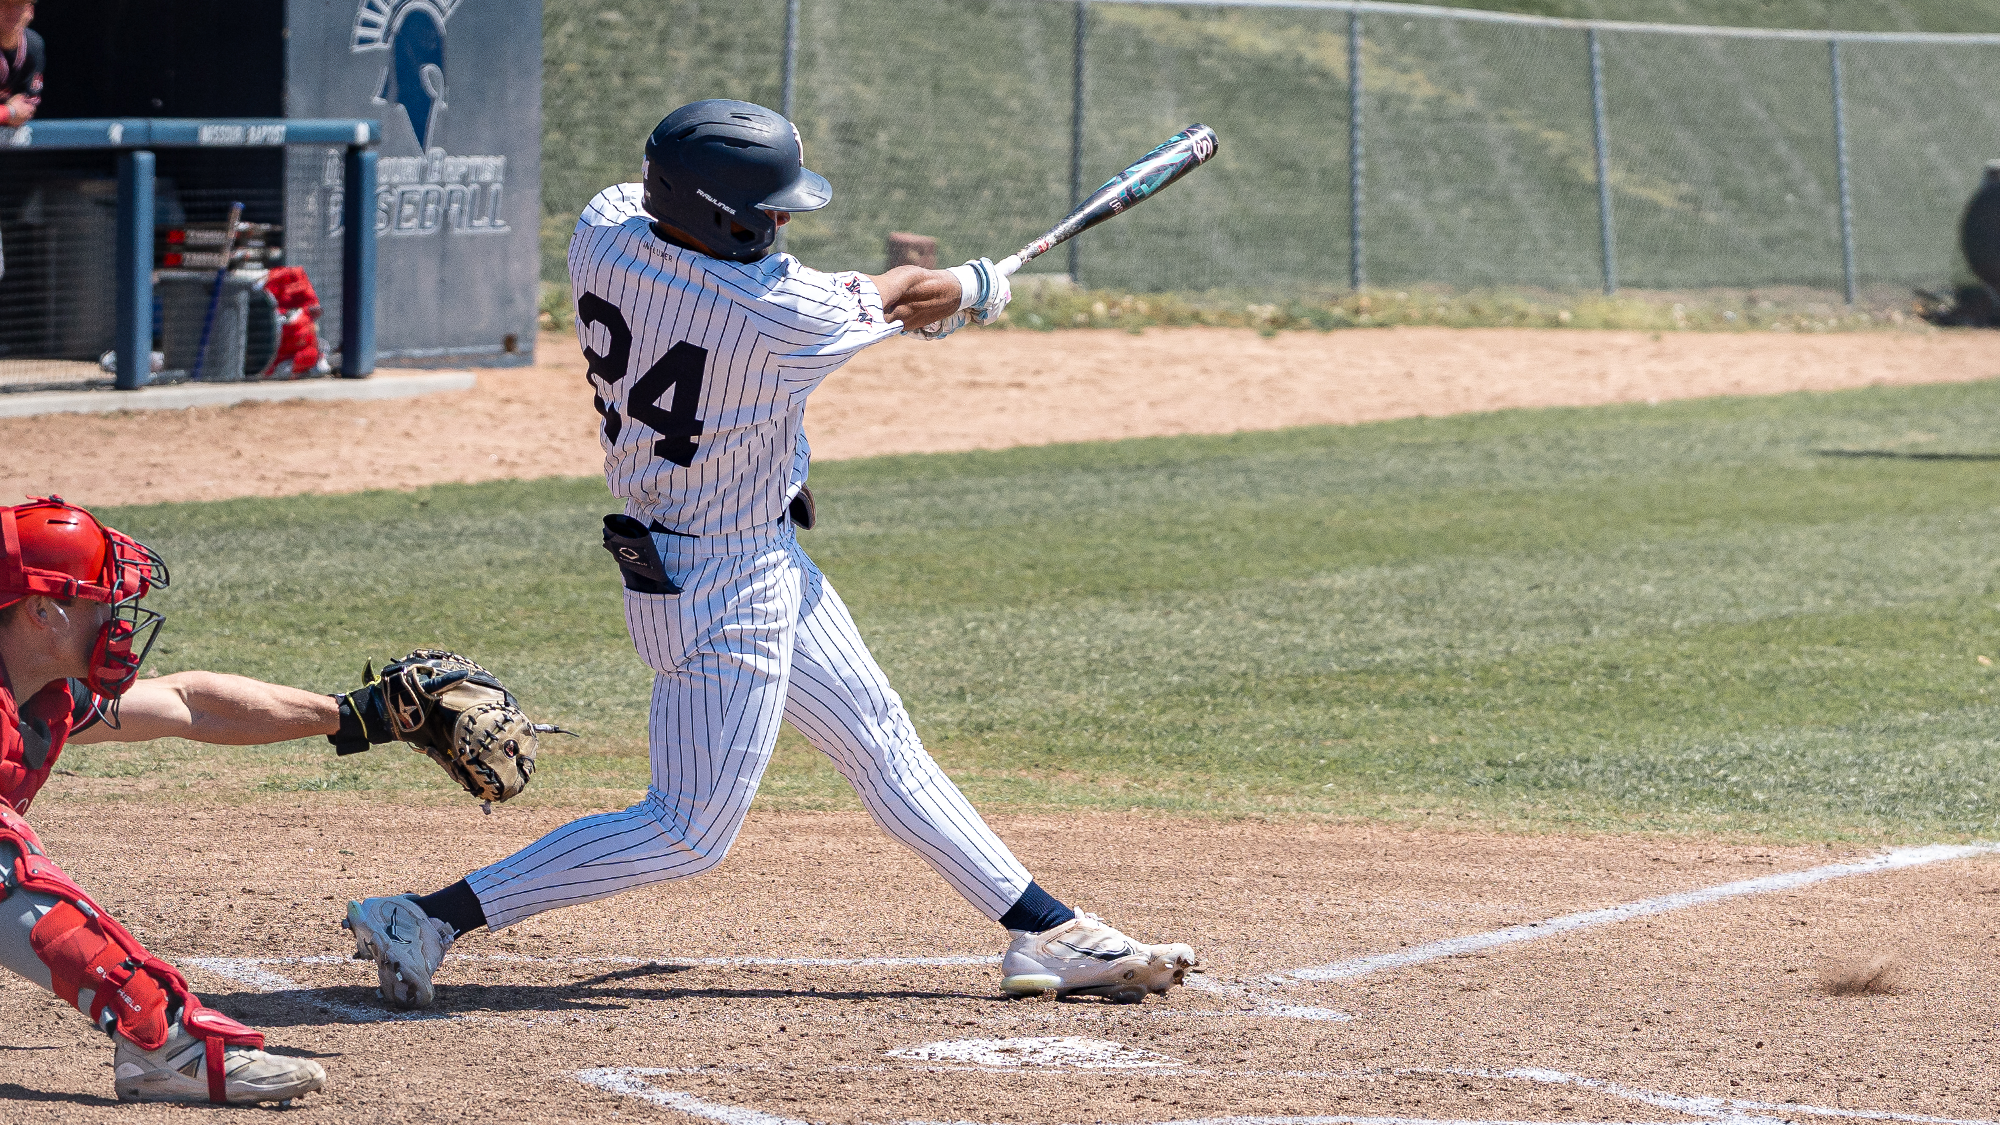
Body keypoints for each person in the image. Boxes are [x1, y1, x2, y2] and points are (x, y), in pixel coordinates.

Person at [344, 99, 1200, 1010]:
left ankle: (1047, 931)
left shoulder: (602, 226)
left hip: (730, 546)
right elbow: (910, 295)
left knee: (881, 741)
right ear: (721, 212)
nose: (787, 220)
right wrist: (981, 284)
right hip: (721, 586)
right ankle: (427, 916)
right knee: (686, 831)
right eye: (772, 206)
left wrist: (784, 460)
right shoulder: (777, 312)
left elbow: (857, 310)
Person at [0, 498, 356, 1103]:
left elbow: (191, 703)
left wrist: (359, 717)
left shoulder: (41, 693)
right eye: (101, 599)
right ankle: (166, 1044)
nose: (117, 617)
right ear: (41, 611)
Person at [0, 0, 42, 283]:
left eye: (21, 5)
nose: (14, 13)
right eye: (6, 5)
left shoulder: (33, 47)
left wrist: (14, 111)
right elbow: (16, 110)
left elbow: (28, 105)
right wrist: (8, 111)